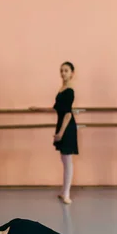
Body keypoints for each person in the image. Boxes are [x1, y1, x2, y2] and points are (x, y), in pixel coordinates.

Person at [30, 62, 78, 204]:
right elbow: (56, 109)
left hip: (67, 128)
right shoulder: (62, 89)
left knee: (68, 161)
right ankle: (64, 191)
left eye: (66, 71)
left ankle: (67, 194)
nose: (63, 73)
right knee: (64, 160)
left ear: (72, 73)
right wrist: (38, 109)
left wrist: (61, 133)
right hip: (62, 126)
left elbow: (68, 114)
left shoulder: (70, 90)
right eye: (61, 70)